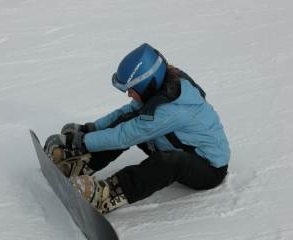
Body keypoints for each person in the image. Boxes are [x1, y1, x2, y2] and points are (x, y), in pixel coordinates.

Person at [44, 43, 230, 214]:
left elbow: (125, 136)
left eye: (131, 89)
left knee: (167, 160)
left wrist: (81, 143)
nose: (129, 94)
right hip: (175, 144)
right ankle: (82, 164)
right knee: (130, 121)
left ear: (147, 83)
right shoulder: (160, 90)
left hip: (208, 168)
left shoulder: (172, 111)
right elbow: (127, 114)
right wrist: (89, 130)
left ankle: (107, 195)